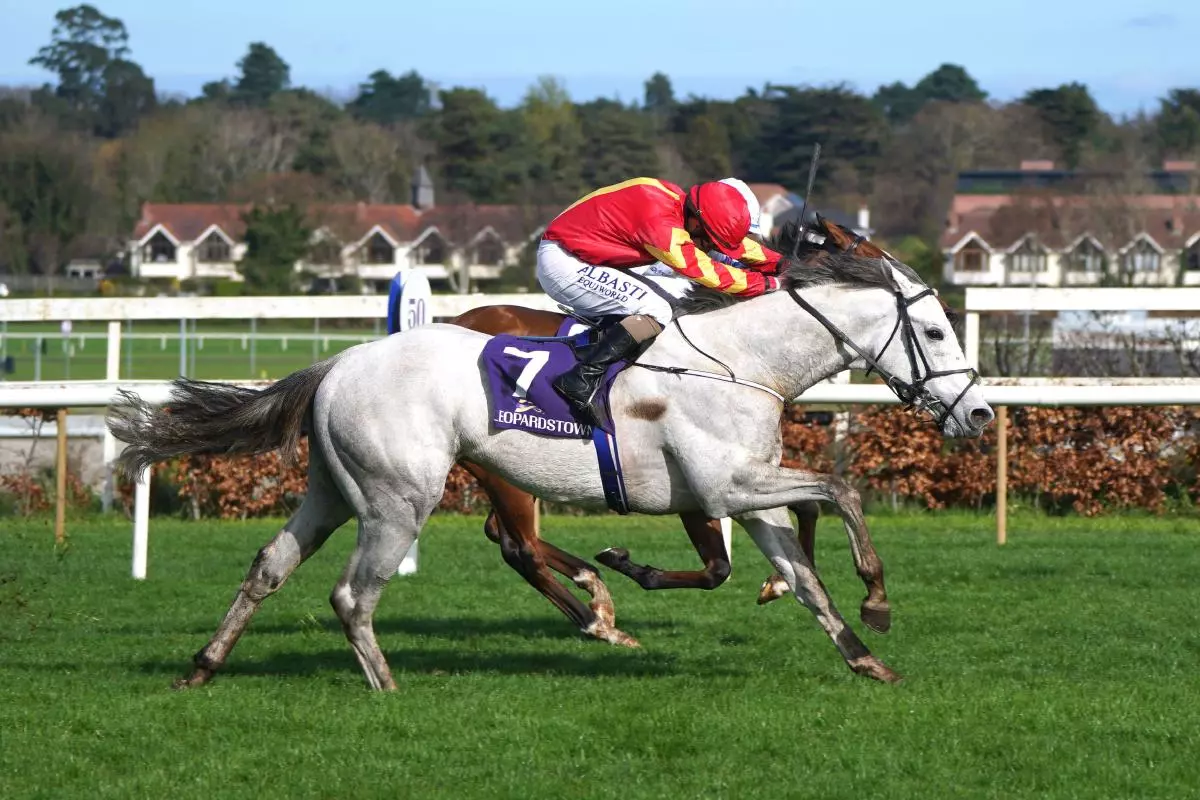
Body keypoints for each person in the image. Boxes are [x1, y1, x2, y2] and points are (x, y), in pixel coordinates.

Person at [538, 177, 785, 425]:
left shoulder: (680, 206)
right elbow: (707, 272)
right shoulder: (660, 224)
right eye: (708, 239)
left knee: (670, 303)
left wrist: (780, 263)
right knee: (656, 310)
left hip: (586, 255)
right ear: (696, 222)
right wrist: (769, 284)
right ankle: (580, 378)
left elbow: (735, 247)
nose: (709, 246)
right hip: (564, 261)